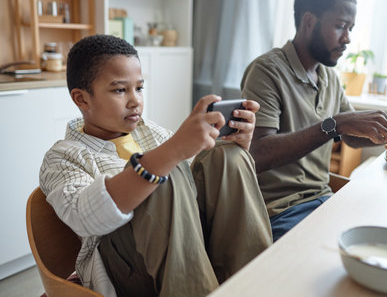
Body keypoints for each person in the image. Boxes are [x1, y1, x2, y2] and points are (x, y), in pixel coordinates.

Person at [40, 34, 272, 297]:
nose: (135, 100)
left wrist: (240, 145)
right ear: (82, 99)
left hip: (186, 249)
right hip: (126, 270)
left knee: (227, 157)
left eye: (139, 88)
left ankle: (258, 286)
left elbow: (191, 190)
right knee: (163, 173)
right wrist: (168, 155)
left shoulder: (150, 132)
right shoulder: (62, 157)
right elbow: (86, 218)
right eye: (119, 90)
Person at [241, 0, 387, 241]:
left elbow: (353, 135)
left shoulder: (329, 76)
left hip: (324, 200)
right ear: (309, 21)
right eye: (340, 25)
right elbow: (258, 153)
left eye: (350, 28)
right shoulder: (267, 71)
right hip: (280, 211)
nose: (347, 38)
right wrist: (335, 125)